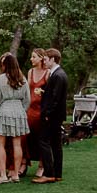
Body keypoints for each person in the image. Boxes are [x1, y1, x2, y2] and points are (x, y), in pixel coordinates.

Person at [0, 53, 31, 183]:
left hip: (4, 109)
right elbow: (28, 99)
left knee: (0, 145)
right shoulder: (23, 79)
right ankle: (15, 174)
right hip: (19, 110)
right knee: (17, 144)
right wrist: (22, 110)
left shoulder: (0, 79)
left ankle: (3, 175)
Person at [32, 47, 68, 183]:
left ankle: (49, 173)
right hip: (56, 116)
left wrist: (47, 113)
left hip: (52, 116)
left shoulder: (57, 75)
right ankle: (57, 173)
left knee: (43, 141)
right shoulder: (58, 74)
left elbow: (55, 98)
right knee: (56, 144)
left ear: (53, 59)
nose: (44, 62)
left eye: (46, 59)